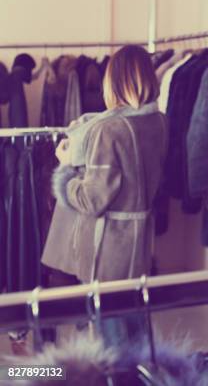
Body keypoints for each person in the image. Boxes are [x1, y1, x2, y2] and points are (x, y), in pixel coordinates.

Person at [41, 45, 168, 346]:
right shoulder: (159, 121)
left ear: (114, 81)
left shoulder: (108, 129)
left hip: (108, 246)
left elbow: (92, 199)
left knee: (111, 334)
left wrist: (66, 168)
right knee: (136, 322)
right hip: (139, 241)